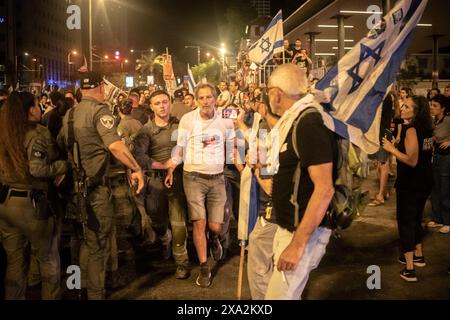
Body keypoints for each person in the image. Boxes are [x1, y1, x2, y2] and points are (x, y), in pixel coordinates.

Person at [58, 71, 144, 299]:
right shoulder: (99, 111)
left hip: (72, 192)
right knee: (97, 245)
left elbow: (60, 145)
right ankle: (95, 294)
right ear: (101, 88)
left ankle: (77, 286)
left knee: (77, 242)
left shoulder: (69, 114)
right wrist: (136, 168)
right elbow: (115, 146)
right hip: (94, 191)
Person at [263, 64, 337, 299]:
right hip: (289, 228)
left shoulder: (308, 122)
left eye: (268, 90)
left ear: (276, 93)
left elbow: (324, 189)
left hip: (301, 233)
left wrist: (297, 244)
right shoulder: (294, 119)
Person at [166, 83, 235, 288]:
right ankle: (205, 267)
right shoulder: (188, 119)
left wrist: (243, 167)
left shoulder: (225, 119)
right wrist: (171, 167)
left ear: (216, 99)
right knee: (199, 222)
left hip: (217, 178)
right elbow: (180, 147)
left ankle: (214, 238)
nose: (205, 101)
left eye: (209, 97)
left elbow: (231, 147)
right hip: (193, 177)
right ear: (196, 100)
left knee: (215, 225)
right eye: (201, 98)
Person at [0, 92, 67, 299]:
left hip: (6, 205)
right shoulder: (37, 133)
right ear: (30, 110)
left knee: (15, 264)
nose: (40, 109)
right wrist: (62, 166)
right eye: (37, 105)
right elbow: (37, 169)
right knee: (48, 260)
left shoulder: (4, 133)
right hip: (32, 205)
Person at [134, 90, 190, 279]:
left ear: (171, 102)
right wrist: (163, 165)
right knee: (157, 220)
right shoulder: (145, 130)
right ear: (151, 106)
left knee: (178, 223)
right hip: (155, 182)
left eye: (165, 102)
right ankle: (165, 238)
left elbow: (188, 147)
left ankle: (181, 262)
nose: (162, 106)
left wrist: (174, 165)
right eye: (157, 103)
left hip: (177, 180)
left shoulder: (180, 125)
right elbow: (140, 156)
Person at [382, 95, 433, 282]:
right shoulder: (427, 128)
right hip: (425, 181)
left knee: (406, 222)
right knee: (416, 219)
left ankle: (409, 268)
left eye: (407, 107)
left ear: (416, 111)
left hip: (411, 183)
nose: (402, 108)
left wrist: (391, 149)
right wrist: (399, 144)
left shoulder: (411, 129)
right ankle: (418, 255)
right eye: (403, 105)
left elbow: (412, 160)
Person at [428, 95, 450, 234]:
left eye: (435, 105)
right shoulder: (434, 121)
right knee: (435, 188)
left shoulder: (448, 120)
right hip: (435, 157)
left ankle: (448, 221)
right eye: (431, 105)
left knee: (446, 189)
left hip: (447, 158)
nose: (432, 108)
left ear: (443, 108)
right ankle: (437, 219)